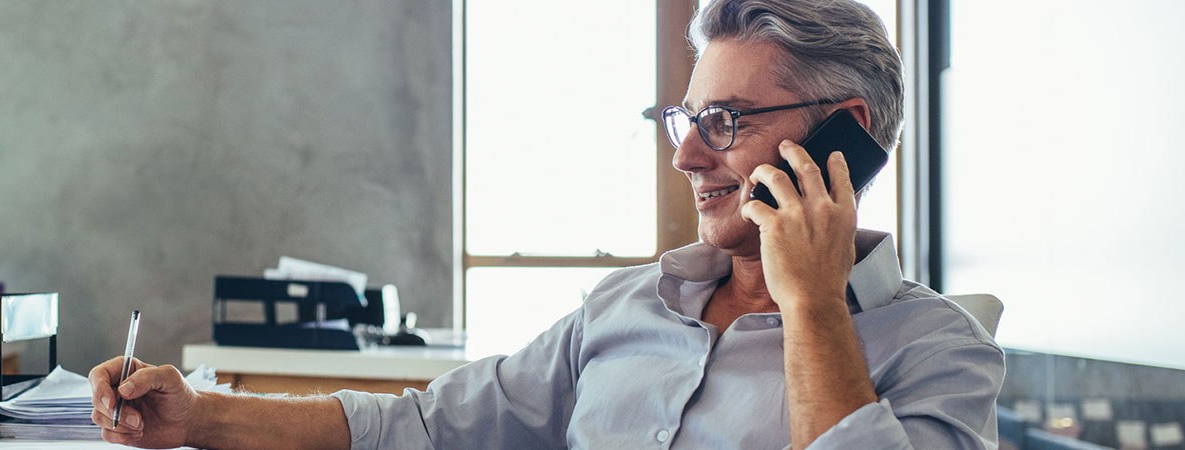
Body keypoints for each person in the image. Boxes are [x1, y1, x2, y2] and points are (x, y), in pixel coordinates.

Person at [87, 0, 1004, 448]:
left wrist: (811, 306)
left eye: (723, 123)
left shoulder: (937, 349)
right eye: (685, 123)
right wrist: (197, 414)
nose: (686, 158)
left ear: (845, 137)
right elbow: (421, 425)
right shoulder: (631, 307)